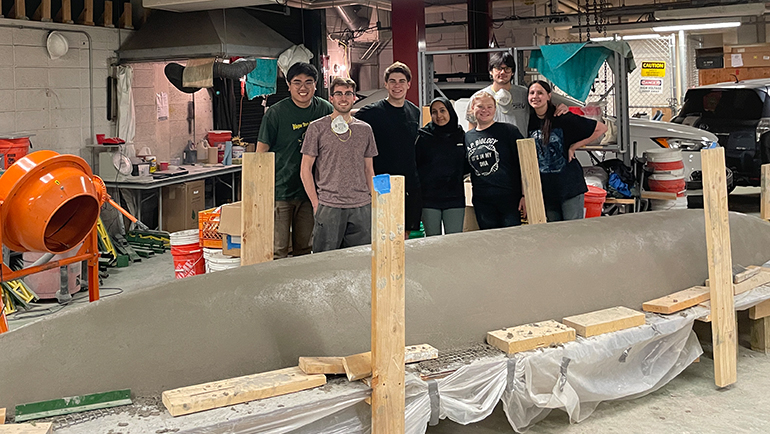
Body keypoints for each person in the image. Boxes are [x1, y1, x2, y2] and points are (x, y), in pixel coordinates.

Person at [257, 62, 333, 259]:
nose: (303, 88)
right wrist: (262, 190)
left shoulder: (324, 109)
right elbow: (261, 154)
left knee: (305, 249)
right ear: (289, 85)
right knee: (278, 249)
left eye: (309, 82)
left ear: (316, 85)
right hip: (280, 191)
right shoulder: (276, 113)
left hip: (311, 192)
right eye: (297, 82)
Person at [300, 77, 378, 252]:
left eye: (348, 93)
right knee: (325, 262)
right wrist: (315, 203)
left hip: (361, 206)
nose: (344, 98)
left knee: (360, 262)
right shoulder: (317, 128)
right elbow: (305, 169)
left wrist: (374, 201)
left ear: (354, 98)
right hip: (329, 206)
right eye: (339, 94)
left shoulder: (365, 130)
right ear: (331, 98)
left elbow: (368, 169)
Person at [354, 61, 422, 237]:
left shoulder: (414, 111)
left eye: (401, 81)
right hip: (381, 180)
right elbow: (350, 117)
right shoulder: (371, 113)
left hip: (408, 183)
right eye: (392, 81)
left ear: (408, 84)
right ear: (386, 84)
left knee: (404, 234)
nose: (397, 85)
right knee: (383, 231)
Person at [526, 80, 608, 222]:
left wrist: (574, 146)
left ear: (549, 96)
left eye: (540, 93)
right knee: (555, 232)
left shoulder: (562, 117)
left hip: (569, 186)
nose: (535, 96)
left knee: (573, 230)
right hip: (546, 189)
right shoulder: (528, 120)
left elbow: (601, 128)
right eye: (532, 93)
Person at [465, 91, 526, 229]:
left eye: (489, 106)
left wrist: (525, 195)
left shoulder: (509, 131)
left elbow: (524, 164)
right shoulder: (467, 137)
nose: (485, 110)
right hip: (483, 200)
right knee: (490, 242)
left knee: (512, 241)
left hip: (509, 198)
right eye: (480, 106)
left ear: (495, 109)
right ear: (472, 109)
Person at [415, 97, 468, 236]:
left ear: (450, 111)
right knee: (432, 242)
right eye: (434, 112)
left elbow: (466, 165)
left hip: (454, 198)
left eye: (442, 110)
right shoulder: (423, 136)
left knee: (454, 240)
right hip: (429, 199)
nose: (439, 116)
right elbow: (415, 165)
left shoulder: (461, 135)